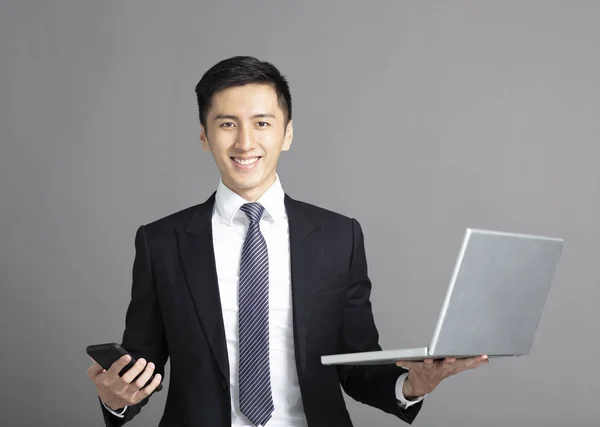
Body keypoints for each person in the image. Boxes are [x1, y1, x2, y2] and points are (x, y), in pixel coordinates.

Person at [87, 56, 488, 427]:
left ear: (288, 133)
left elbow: (354, 365)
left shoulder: (338, 236)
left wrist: (412, 385)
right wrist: (115, 397)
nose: (245, 143)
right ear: (205, 137)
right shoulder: (161, 242)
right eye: (227, 124)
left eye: (262, 123)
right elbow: (140, 367)